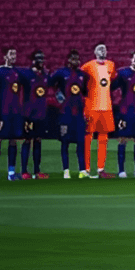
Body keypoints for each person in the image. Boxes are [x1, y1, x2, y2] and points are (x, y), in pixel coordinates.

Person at [0, 47, 28, 181]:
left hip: (16, 113)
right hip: (3, 112)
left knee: (13, 140)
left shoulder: (17, 72)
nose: (14, 56)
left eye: (15, 53)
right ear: (5, 56)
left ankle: (11, 172)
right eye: (11, 54)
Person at [49, 50, 89, 179]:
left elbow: (85, 93)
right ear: (68, 60)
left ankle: (82, 170)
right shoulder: (61, 73)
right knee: (65, 143)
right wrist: (58, 97)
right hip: (65, 114)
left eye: (77, 59)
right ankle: (66, 170)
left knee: (81, 143)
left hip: (78, 115)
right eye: (73, 59)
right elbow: (50, 84)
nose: (75, 61)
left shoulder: (83, 75)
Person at [80, 43, 117, 178]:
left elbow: (111, 80)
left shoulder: (111, 65)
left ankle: (101, 169)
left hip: (106, 107)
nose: (102, 51)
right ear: (95, 51)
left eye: (104, 49)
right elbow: (79, 82)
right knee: (88, 137)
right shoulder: (87, 66)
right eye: (99, 49)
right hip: (91, 107)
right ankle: (86, 169)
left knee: (103, 138)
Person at [19, 50, 51, 179]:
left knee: (38, 141)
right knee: (27, 140)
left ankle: (37, 171)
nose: (41, 62)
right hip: (28, 113)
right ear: (33, 61)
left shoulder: (45, 75)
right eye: (39, 59)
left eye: (42, 59)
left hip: (41, 113)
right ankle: (24, 171)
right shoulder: (26, 74)